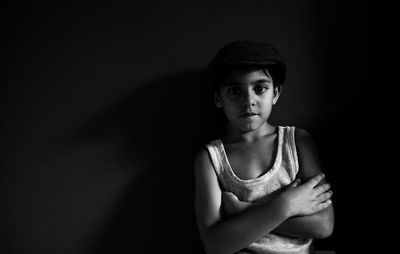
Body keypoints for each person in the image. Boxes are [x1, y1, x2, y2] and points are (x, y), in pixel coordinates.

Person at [194, 40, 334, 254]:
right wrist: (286, 206)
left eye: (259, 88)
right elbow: (215, 244)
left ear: (275, 93)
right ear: (218, 98)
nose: (248, 100)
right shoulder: (211, 158)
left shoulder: (297, 141)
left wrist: (245, 211)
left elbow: (323, 225)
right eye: (234, 91)